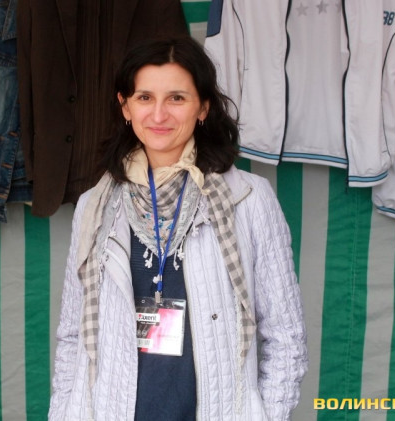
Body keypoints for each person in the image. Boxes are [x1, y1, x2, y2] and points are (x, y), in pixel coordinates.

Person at [48, 36, 308, 421]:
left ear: (203, 107)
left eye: (176, 98)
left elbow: (286, 337)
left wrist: (267, 415)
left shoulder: (249, 200)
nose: (159, 115)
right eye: (144, 98)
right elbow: (73, 336)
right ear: (125, 106)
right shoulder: (95, 206)